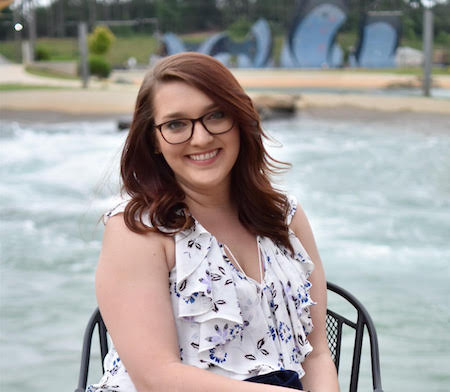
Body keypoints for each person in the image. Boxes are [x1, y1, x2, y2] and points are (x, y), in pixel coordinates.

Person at [89, 52, 339, 392]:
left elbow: (316, 355)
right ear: (154, 140)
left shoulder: (286, 217)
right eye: (176, 124)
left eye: (216, 115)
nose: (201, 138)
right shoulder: (138, 230)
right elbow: (156, 378)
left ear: (239, 120)